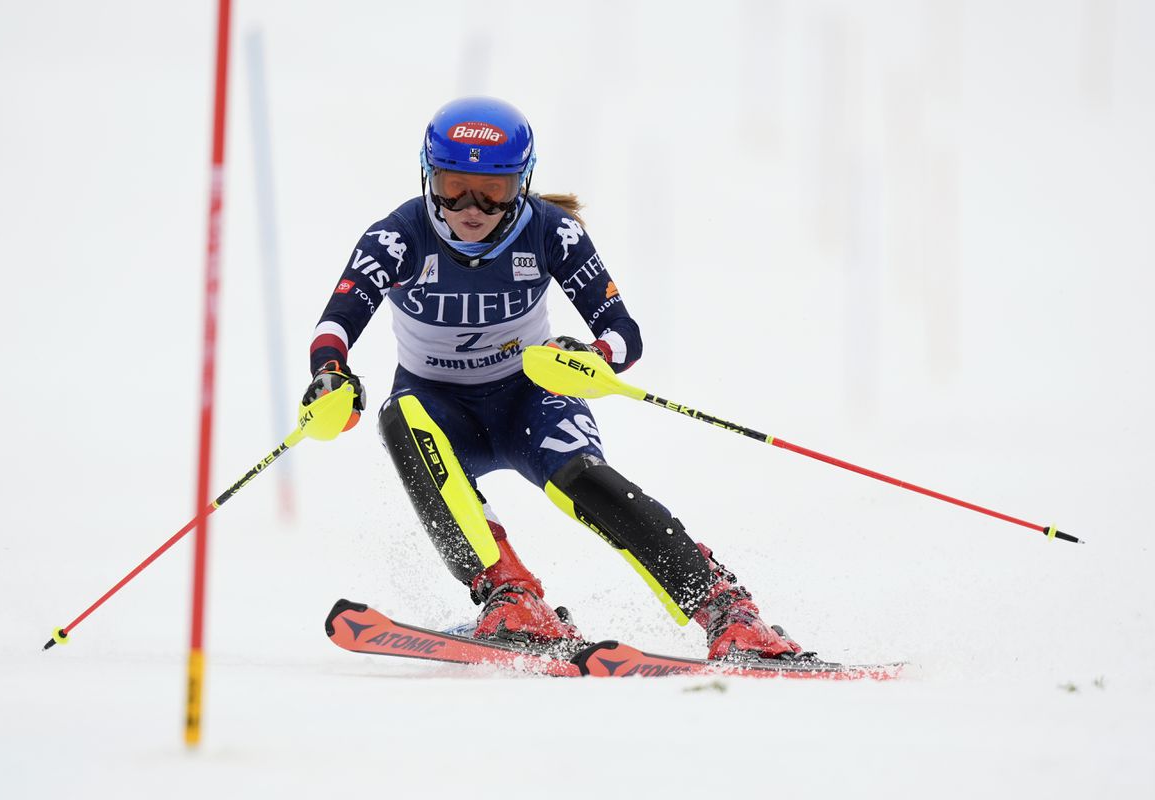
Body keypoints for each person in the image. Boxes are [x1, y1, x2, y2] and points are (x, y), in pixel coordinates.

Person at [302, 97, 810, 662]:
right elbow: (335, 323)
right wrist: (330, 374)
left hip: (528, 399)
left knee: (582, 479)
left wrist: (591, 356)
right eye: (454, 187)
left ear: (521, 183)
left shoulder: (550, 230)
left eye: (492, 191)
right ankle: (512, 596)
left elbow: (623, 333)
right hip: (438, 407)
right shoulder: (398, 236)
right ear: (428, 176)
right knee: (399, 418)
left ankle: (727, 609)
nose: (471, 208)